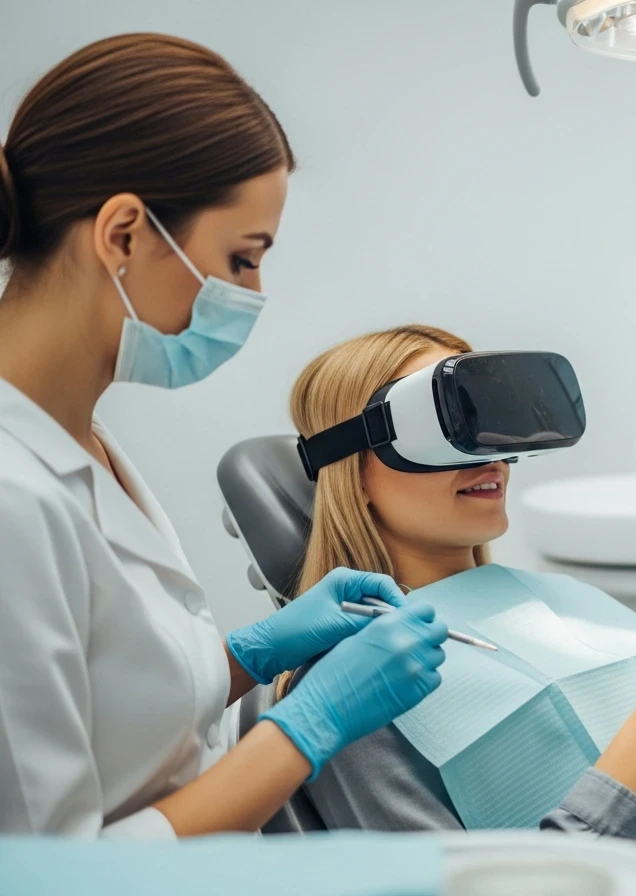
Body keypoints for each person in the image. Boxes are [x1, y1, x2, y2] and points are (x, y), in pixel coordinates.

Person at [0, 35, 451, 838]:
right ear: (124, 234)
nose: (254, 292)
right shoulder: (10, 498)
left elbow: (115, 696)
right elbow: (49, 875)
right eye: (242, 259)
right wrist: (305, 730)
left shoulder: (82, 442)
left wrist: (245, 654)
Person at [264, 324, 636, 896]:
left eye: (486, 421)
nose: (489, 457)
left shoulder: (565, 601)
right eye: (442, 428)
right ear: (353, 470)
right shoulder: (348, 687)